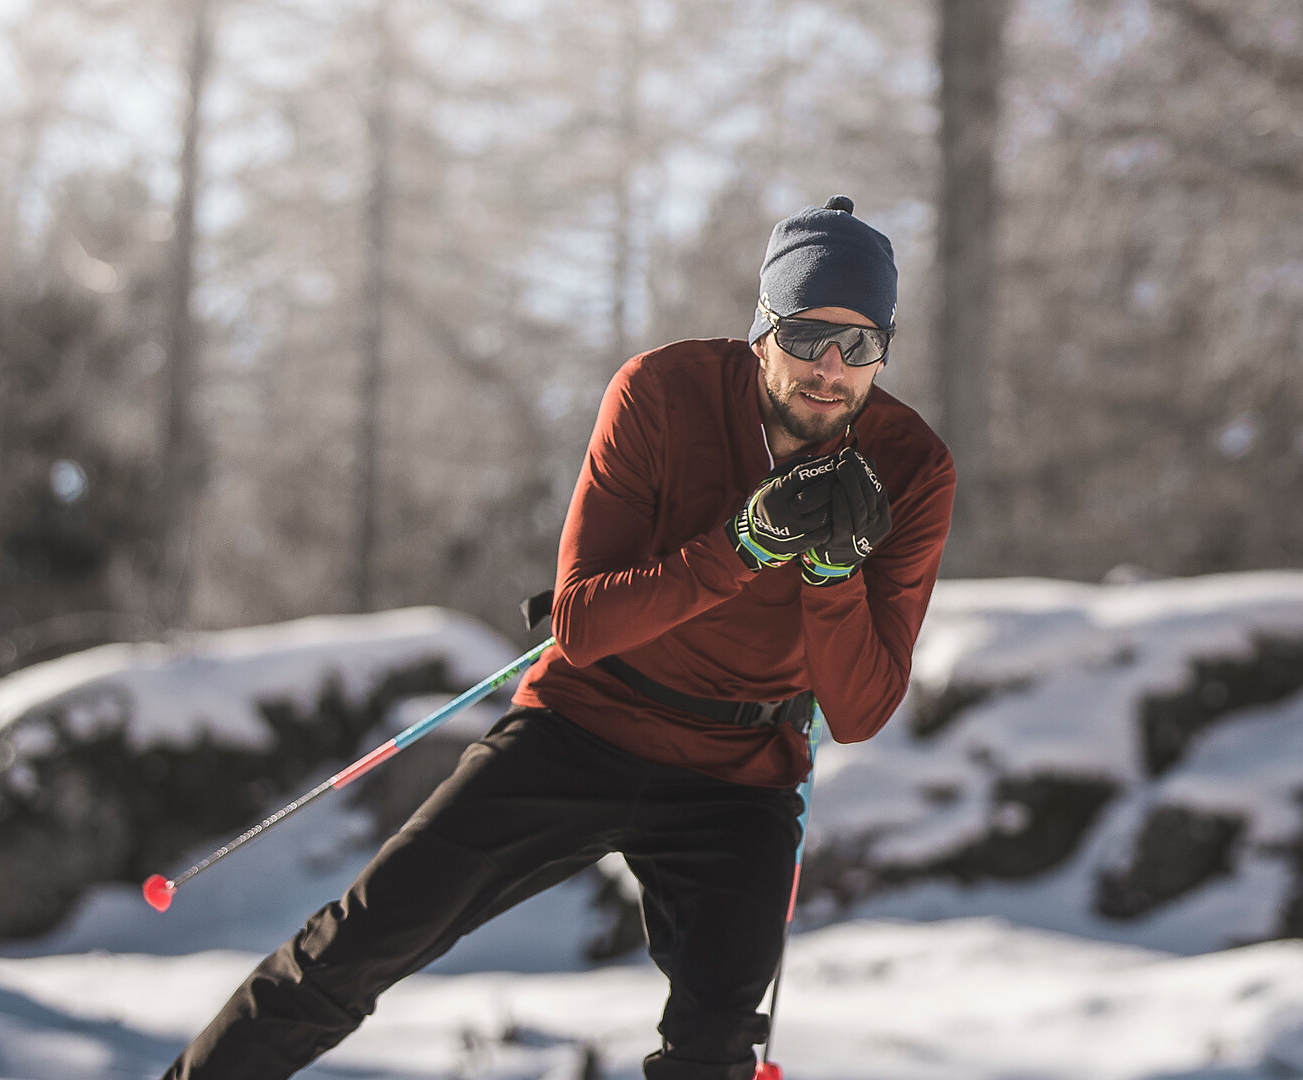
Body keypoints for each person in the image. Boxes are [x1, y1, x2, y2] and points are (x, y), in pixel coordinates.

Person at [162, 195, 956, 1080]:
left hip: (739, 776)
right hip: (582, 726)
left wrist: (832, 576)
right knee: (358, 943)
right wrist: (743, 546)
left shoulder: (913, 466)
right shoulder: (660, 392)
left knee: (717, 1045)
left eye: (862, 345)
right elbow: (580, 623)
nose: (832, 368)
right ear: (761, 330)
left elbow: (859, 709)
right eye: (808, 336)